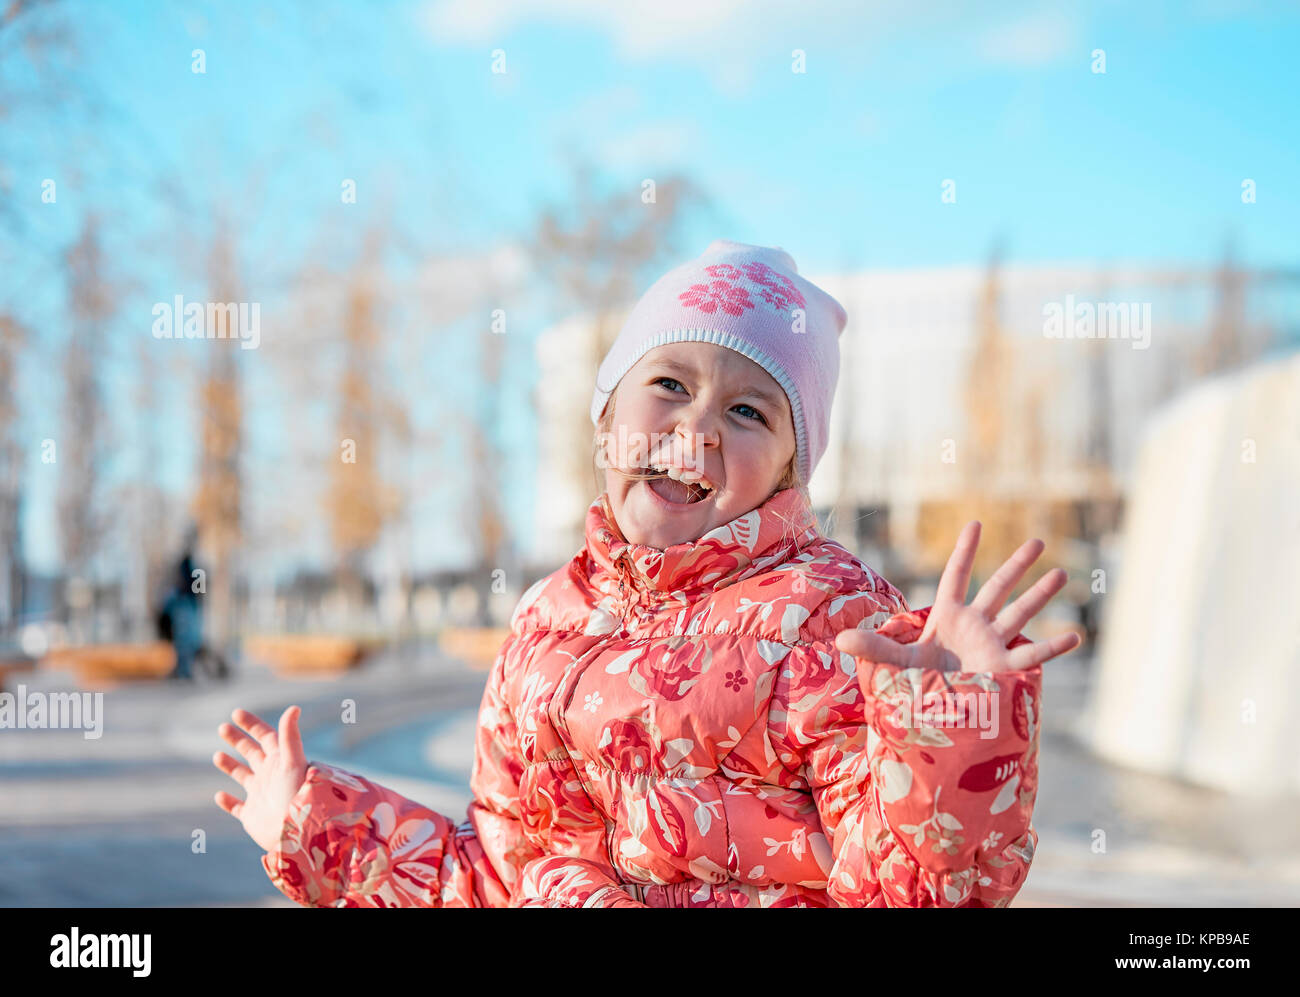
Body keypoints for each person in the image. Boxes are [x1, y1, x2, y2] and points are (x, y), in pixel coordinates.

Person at [213, 240, 1081, 907]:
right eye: (669, 382)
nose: (699, 423)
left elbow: (906, 891)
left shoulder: (830, 619)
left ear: (786, 470)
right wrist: (312, 822)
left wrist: (946, 733)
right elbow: (494, 876)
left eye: (748, 410)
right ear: (605, 419)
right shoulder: (545, 628)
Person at [163, 552, 202, 682]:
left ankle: (184, 670)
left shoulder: (188, 595)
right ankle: (183, 670)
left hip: (187, 614)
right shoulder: (178, 595)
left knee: (186, 644)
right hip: (185, 613)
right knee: (184, 644)